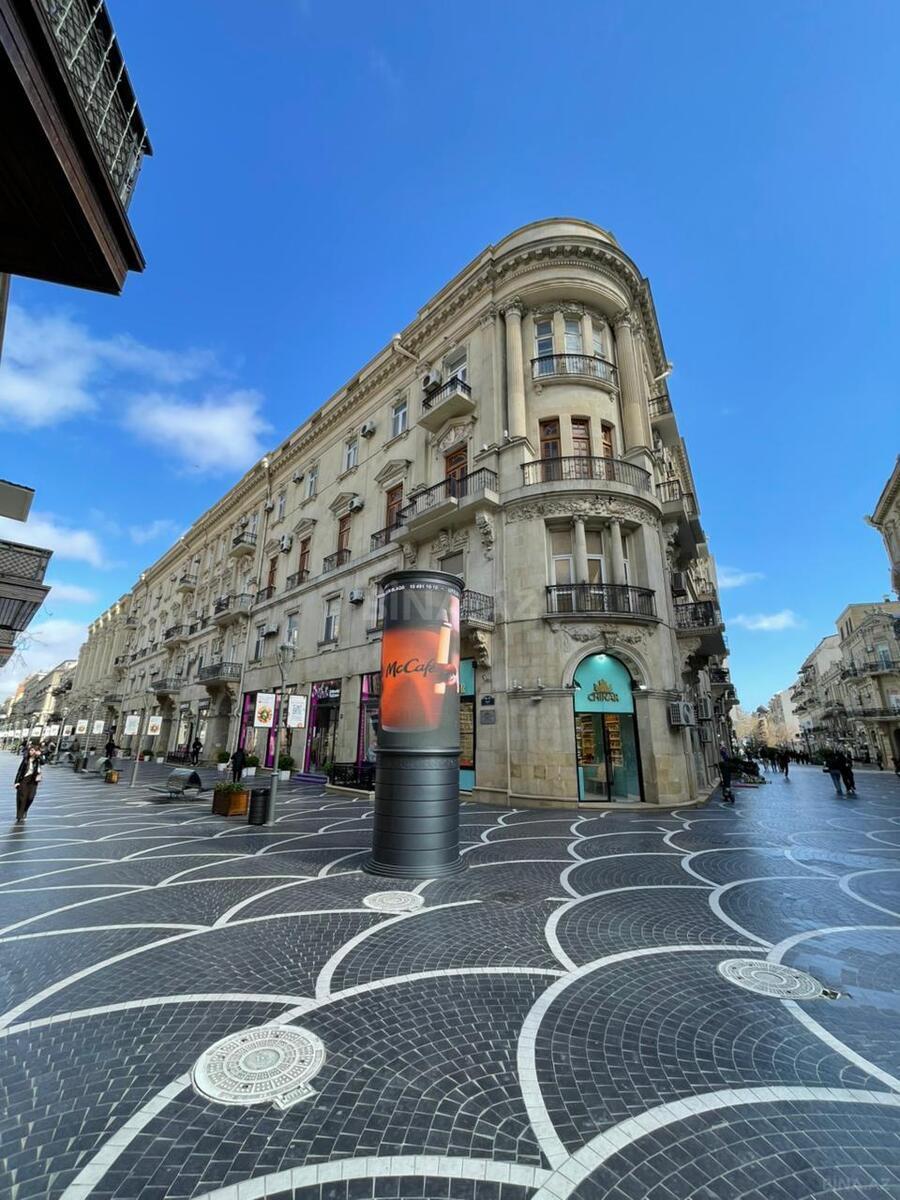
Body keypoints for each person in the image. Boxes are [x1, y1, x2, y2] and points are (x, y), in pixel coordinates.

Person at [14, 743, 42, 821]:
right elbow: (20, 771)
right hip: (25, 780)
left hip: (34, 781)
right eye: (30, 750)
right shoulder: (26, 759)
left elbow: (44, 762)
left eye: (33, 750)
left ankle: (25, 810)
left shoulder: (38, 759)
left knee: (30, 798)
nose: (31, 752)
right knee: (22, 798)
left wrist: (39, 756)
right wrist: (16, 782)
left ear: (36, 751)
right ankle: (20, 815)